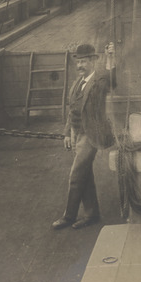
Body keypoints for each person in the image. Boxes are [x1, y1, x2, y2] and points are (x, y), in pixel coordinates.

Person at [52, 42, 117, 230]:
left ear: (93, 61)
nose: (80, 65)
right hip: (77, 134)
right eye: (78, 61)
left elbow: (111, 81)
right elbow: (72, 109)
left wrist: (111, 58)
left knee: (76, 175)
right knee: (85, 175)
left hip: (92, 135)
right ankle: (91, 214)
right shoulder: (77, 83)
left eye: (84, 61)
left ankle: (69, 216)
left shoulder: (99, 81)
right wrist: (67, 134)